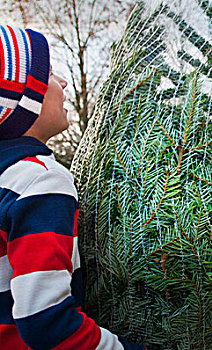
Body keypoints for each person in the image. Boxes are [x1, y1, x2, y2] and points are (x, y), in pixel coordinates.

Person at [0, 25, 145, 349]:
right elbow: (47, 322)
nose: (63, 82)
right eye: (50, 74)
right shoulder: (38, 180)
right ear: (25, 101)